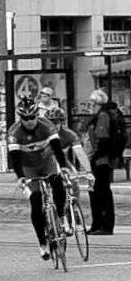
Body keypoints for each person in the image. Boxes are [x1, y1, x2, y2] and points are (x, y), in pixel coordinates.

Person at [7, 97, 72, 259]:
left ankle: (63, 218)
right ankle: (42, 242)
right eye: (25, 118)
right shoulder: (14, 132)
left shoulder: (47, 126)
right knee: (36, 202)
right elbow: (14, 157)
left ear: (37, 115)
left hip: (46, 162)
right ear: (20, 118)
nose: (29, 122)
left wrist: (63, 167)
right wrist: (20, 177)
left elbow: (57, 148)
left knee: (57, 182)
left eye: (32, 117)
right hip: (28, 168)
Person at [86, 89, 118, 235]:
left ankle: (105, 225)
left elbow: (103, 139)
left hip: (101, 160)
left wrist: (94, 157)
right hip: (98, 158)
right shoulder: (98, 116)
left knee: (102, 192)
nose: (90, 104)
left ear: (97, 103)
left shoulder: (103, 116)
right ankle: (97, 223)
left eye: (92, 102)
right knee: (95, 192)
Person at [50, 107, 93, 200]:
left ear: (62, 123)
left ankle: (74, 208)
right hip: (46, 163)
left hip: (63, 162)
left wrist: (88, 171)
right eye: (50, 123)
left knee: (74, 182)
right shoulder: (42, 134)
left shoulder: (69, 134)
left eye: (56, 123)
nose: (53, 126)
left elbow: (80, 153)